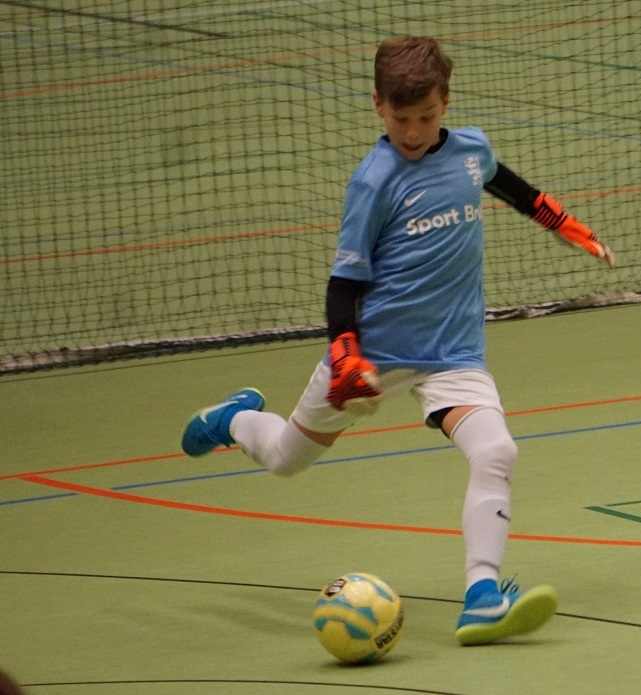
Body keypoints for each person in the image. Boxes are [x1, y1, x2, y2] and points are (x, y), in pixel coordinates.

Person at [182, 36, 613, 646]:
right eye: (401, 118)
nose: (413, 132)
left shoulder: (471, 149)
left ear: (446, 103)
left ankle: (482, 598)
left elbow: (510, 187)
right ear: (378, 106)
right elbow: (343, 284)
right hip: (373, 359)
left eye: (426, 117)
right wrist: (345, 355)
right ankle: (232, 420)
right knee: (284, 458)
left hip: (454, 352)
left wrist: (561, 222)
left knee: (497, 452)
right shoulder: (374, 182)